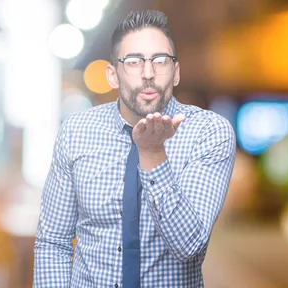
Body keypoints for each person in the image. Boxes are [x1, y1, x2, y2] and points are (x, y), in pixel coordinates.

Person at [33, 9, 236, 288]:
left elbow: (188, 246)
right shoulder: (76, 131)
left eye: (160, 60)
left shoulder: (208, 132)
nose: (149, 73)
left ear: (175, 73)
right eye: (133, 61)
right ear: (113, 75)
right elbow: (53, 242)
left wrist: (153, 155)